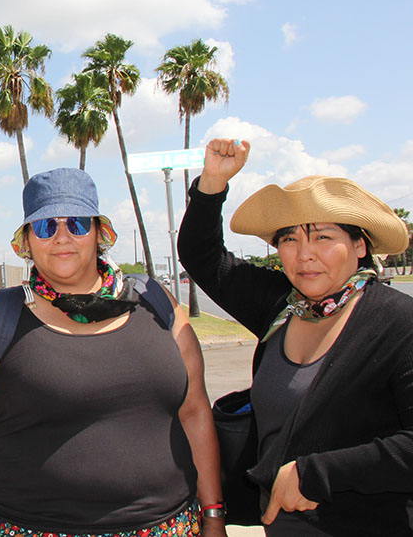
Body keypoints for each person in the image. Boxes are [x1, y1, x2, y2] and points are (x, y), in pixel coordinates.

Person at [0, 168, 226, 537]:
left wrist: (214, 516)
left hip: (168, 527)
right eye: (46, 226)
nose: (62, 237)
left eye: (76, 223)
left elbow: (194, 411)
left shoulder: (156, 302)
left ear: (98, 234)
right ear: (27, 241)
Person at [177, 138, 413, 535]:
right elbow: (202, 256)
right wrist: (212, 183)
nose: (304, 254)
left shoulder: (398, 322)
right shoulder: (280, 306)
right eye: (290, 239)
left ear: (359, 244)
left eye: (322, 237)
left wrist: (315, 473)